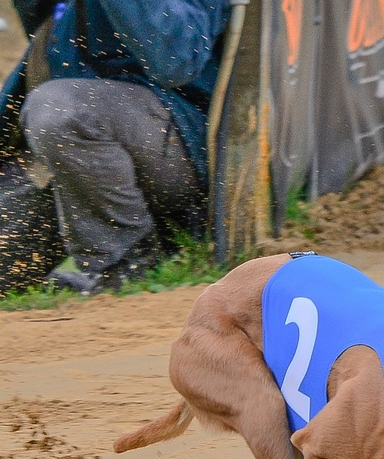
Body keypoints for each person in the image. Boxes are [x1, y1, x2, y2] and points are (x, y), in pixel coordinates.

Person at [0, 0, 229, 295]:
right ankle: (77, 284)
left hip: (177, 142)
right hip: (78, 157)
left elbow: (176, 60)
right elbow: (43, 24)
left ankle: (129, 268)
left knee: (58, 110)